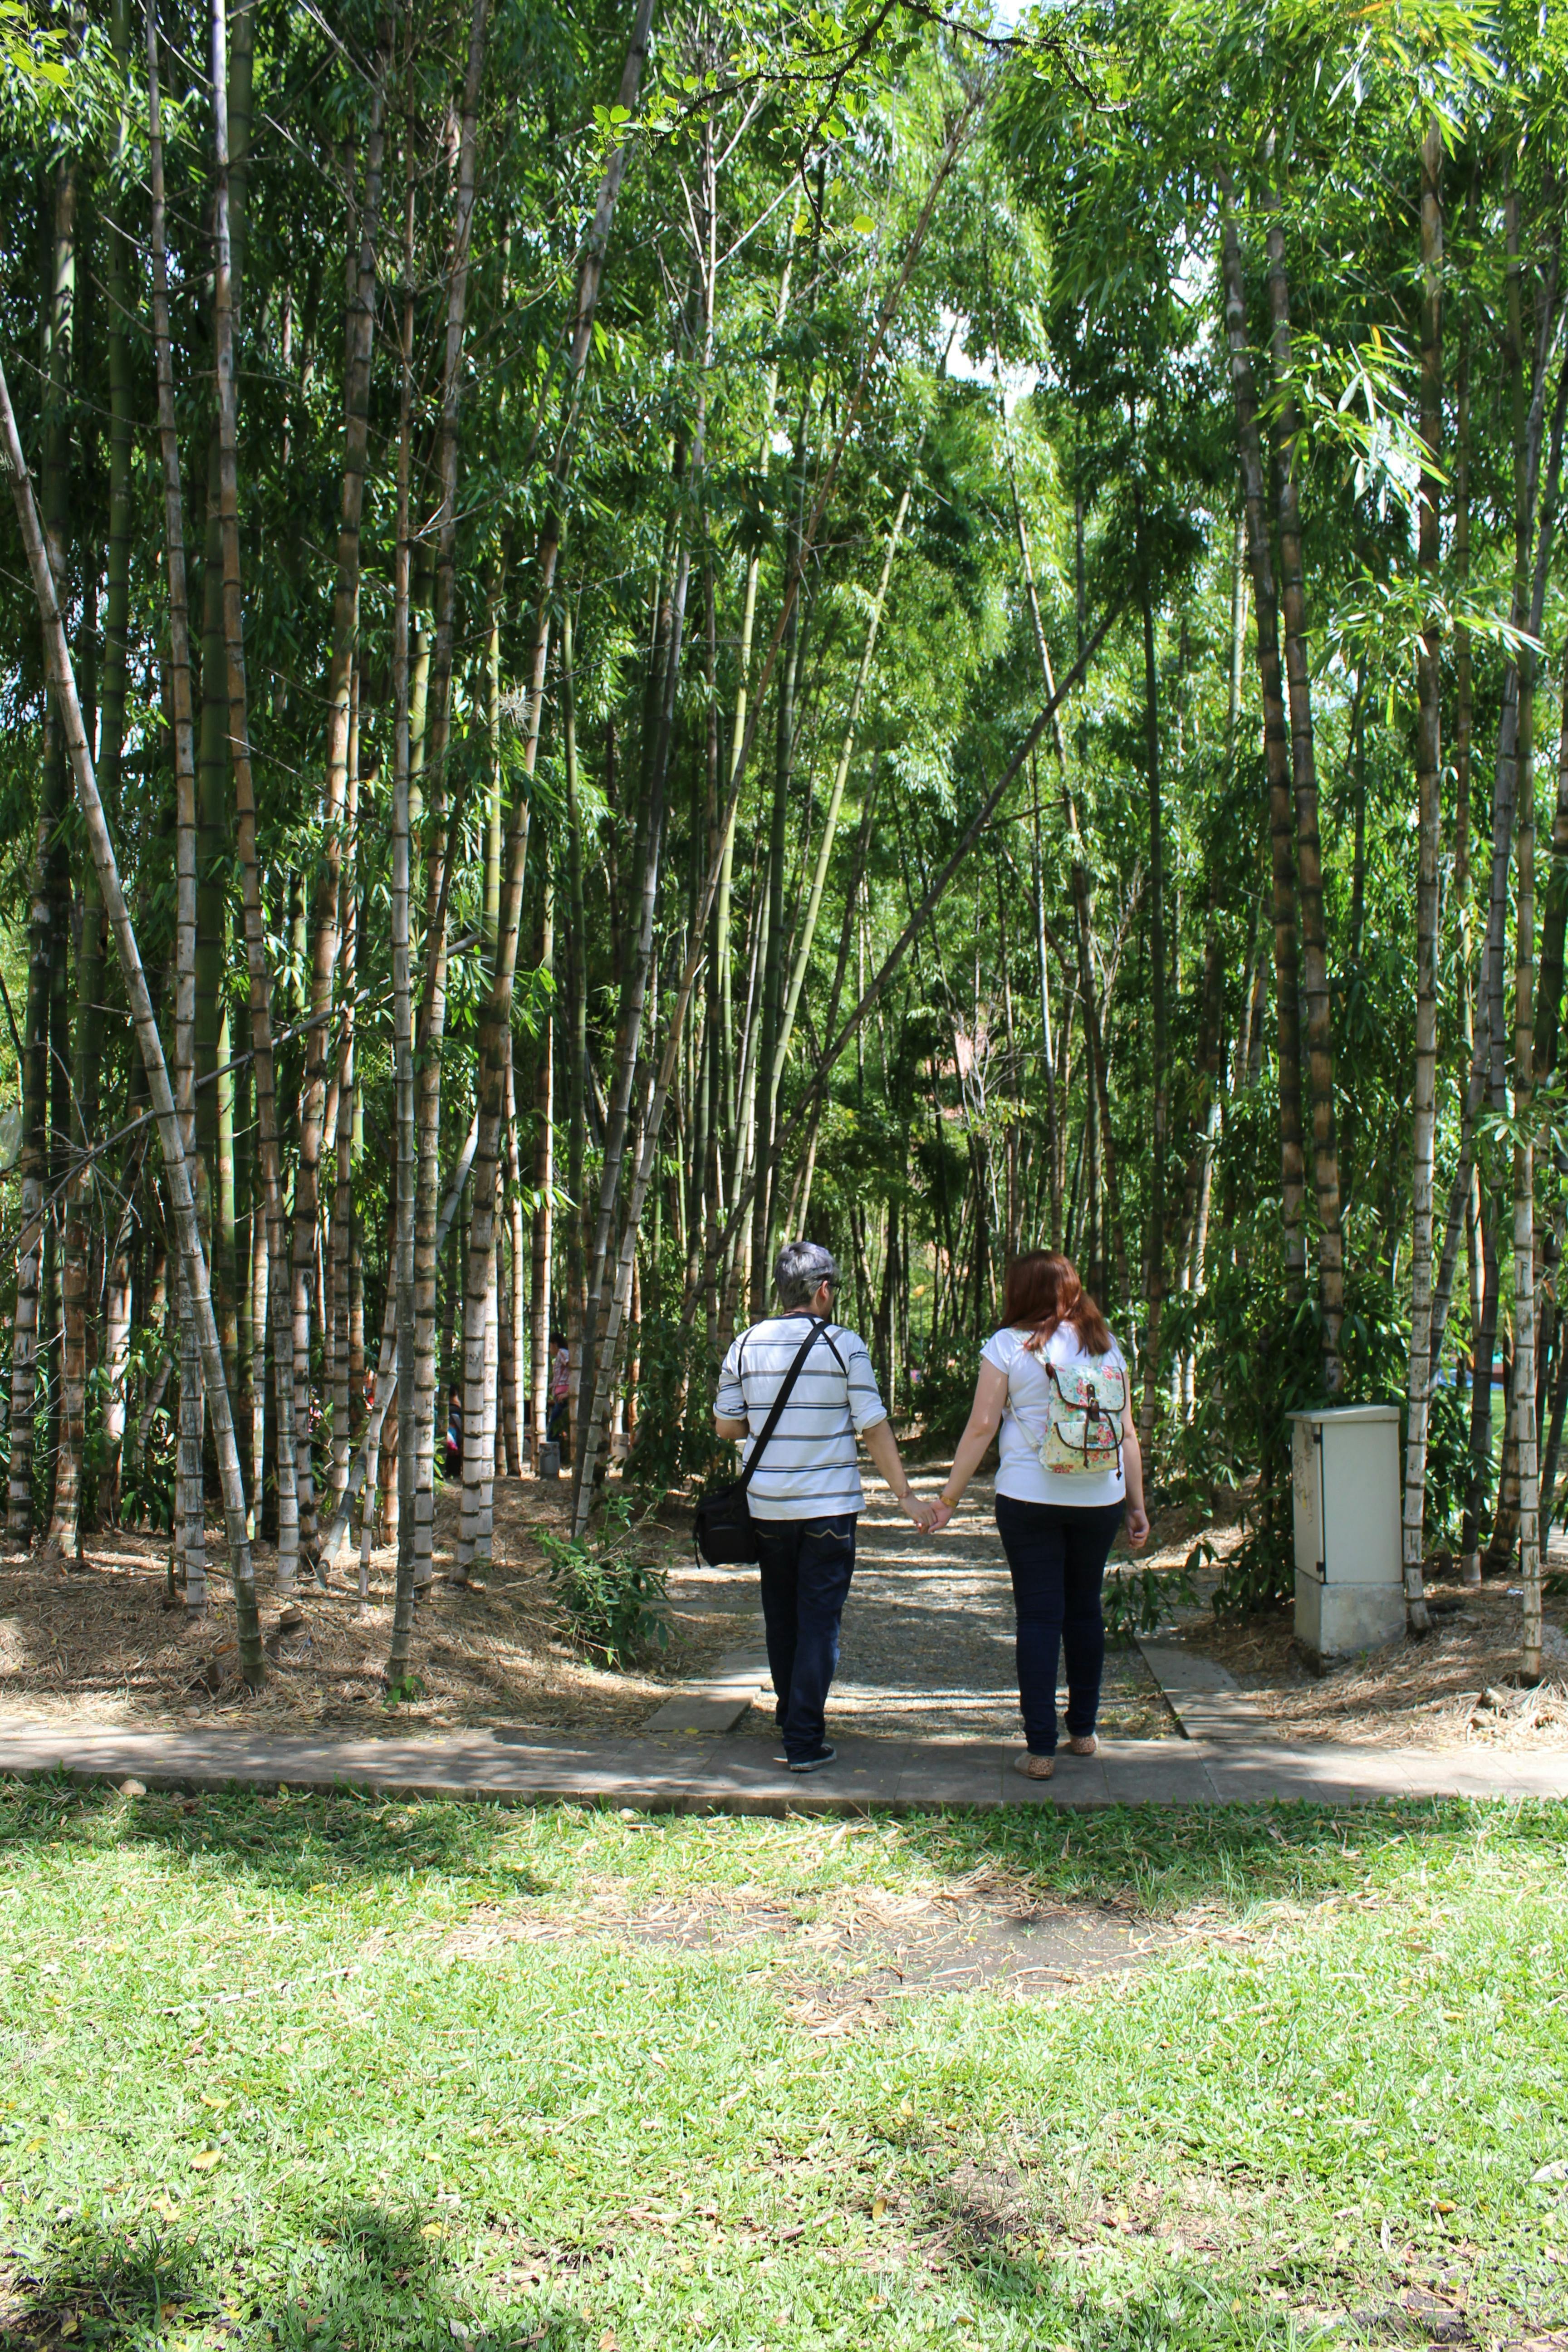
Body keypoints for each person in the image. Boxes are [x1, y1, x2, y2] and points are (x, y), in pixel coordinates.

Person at [714, 1240, 934, 1774]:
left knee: (781, 1615)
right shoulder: (845, 1346)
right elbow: (874, 1426)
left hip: (768, 1507)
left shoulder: (746, 1344)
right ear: (824, 1290)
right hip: (829, 1511)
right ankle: (804, 1740)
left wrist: (767, 1425)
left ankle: (792, 1716)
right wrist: (906, 1496)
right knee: (820, 1622)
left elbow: (727, 1426)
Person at [929, 1250, 1149, 1780]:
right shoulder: (1106, 1345)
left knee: (1039, 1617)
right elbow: (1128, 1434)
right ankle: (1085, 1732)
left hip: (1029, 1499)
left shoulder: (1008, 1345)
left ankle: (1040, 1749)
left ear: (1019, 1292)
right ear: (1071, 1290)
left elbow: (982, 1427)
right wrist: (1137, 1506)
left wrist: (949, 1500)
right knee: (1084, 1611)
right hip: (1100, 1497)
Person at [444, 1384, 463, 1480]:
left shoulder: (443, 1411)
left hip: (445, 1447)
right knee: (455, 1474)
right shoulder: (457, 1411)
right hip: (456, 1447)